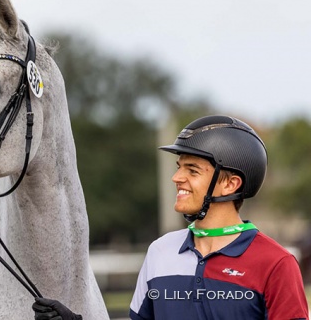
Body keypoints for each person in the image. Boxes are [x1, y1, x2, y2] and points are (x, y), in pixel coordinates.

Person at [33, 115, 309, 319]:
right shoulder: (160, 251)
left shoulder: (276, 264)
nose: (177, 178)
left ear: (230, 184)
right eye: (179, 168)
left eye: (192, 170)